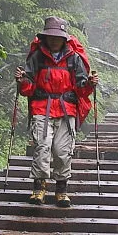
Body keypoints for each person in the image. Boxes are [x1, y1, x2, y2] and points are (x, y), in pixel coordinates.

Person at [15, 16, 99, 207]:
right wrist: (21, 81)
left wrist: (90, 84)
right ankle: (39, 188)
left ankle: (61, 189)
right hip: (41, 108)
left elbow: (81, 88)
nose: (54, 40)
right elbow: (28, 88)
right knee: (42, 146)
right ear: (45, 38)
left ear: (64, 39)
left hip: (66, 109)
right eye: (50, 36)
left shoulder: (74, 59)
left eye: (57, 37)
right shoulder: (37, 57)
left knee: (62, 151)